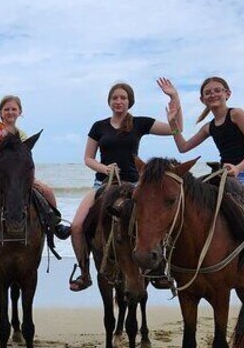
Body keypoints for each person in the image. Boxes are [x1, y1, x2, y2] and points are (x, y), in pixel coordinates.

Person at [166, 76, 244, 296]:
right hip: (224, 176)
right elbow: (183, 147)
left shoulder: (236, 114)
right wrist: (173, 125)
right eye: (208, 93)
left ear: (227, 93)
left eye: (217, 90)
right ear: (202, 99)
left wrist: (238, 168)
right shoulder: (209, 127)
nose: (213, 95)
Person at [68, 79, 181, 291]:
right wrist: (105, 169)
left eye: (123, 98)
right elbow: (88, 158)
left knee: (154, 223)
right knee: (76, 226)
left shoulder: (139, 123)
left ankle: (159, 270)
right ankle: (84, 273)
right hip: (103, 183)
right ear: (109, 101)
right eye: (115, 98)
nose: (119, 101)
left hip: (135, 185)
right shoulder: (98, 126)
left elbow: (176, 130)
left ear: (130, 102)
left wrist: (174, 99)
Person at [0, 68, 70, 256]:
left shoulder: (23, 136)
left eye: (13, 109)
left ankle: (56, 225)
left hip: (21, 180)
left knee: (47, 192)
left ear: (20, 112)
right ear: (0, 112)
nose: (10, 112)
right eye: (6, 109)